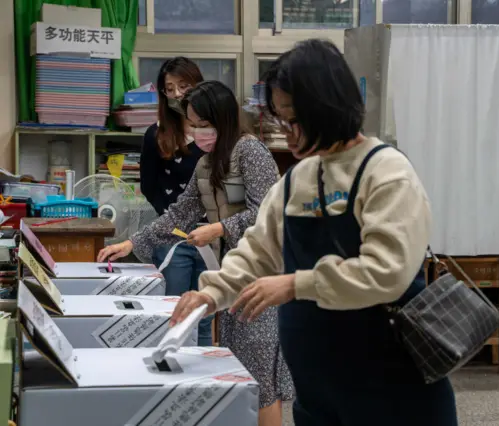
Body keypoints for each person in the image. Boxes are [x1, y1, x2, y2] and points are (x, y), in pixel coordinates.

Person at [170, 39, 459, 425]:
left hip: (393, 390)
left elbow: (387, 272)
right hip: (319, 394)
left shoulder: (385, 172)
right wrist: (211, 293)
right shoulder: (298, 180)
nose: (287, 133)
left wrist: (295, 285)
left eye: (295, 120)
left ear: (329, 106)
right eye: (280, 120)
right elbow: (256, 253)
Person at [98, 80, 294, 426]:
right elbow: (179, 213)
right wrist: (132, 244)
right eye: (193, 125)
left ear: (223, 119)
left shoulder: (251, 152)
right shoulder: (205, 164)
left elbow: (267, 212)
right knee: (240, 367)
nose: (197, 132)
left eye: (204, 125)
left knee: (262, 375)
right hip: (230, 276)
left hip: (264, 276)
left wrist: (219, 228)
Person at [139, 57, 211, 345]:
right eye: (170, 88)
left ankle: (205, 384)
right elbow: (148, 186)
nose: (178, 94)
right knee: (173, 317)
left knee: (204, 320)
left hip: (212, 238)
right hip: (173, 238)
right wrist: (173, 221)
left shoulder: (213, 134)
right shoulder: (157, 133)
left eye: (184, 86)